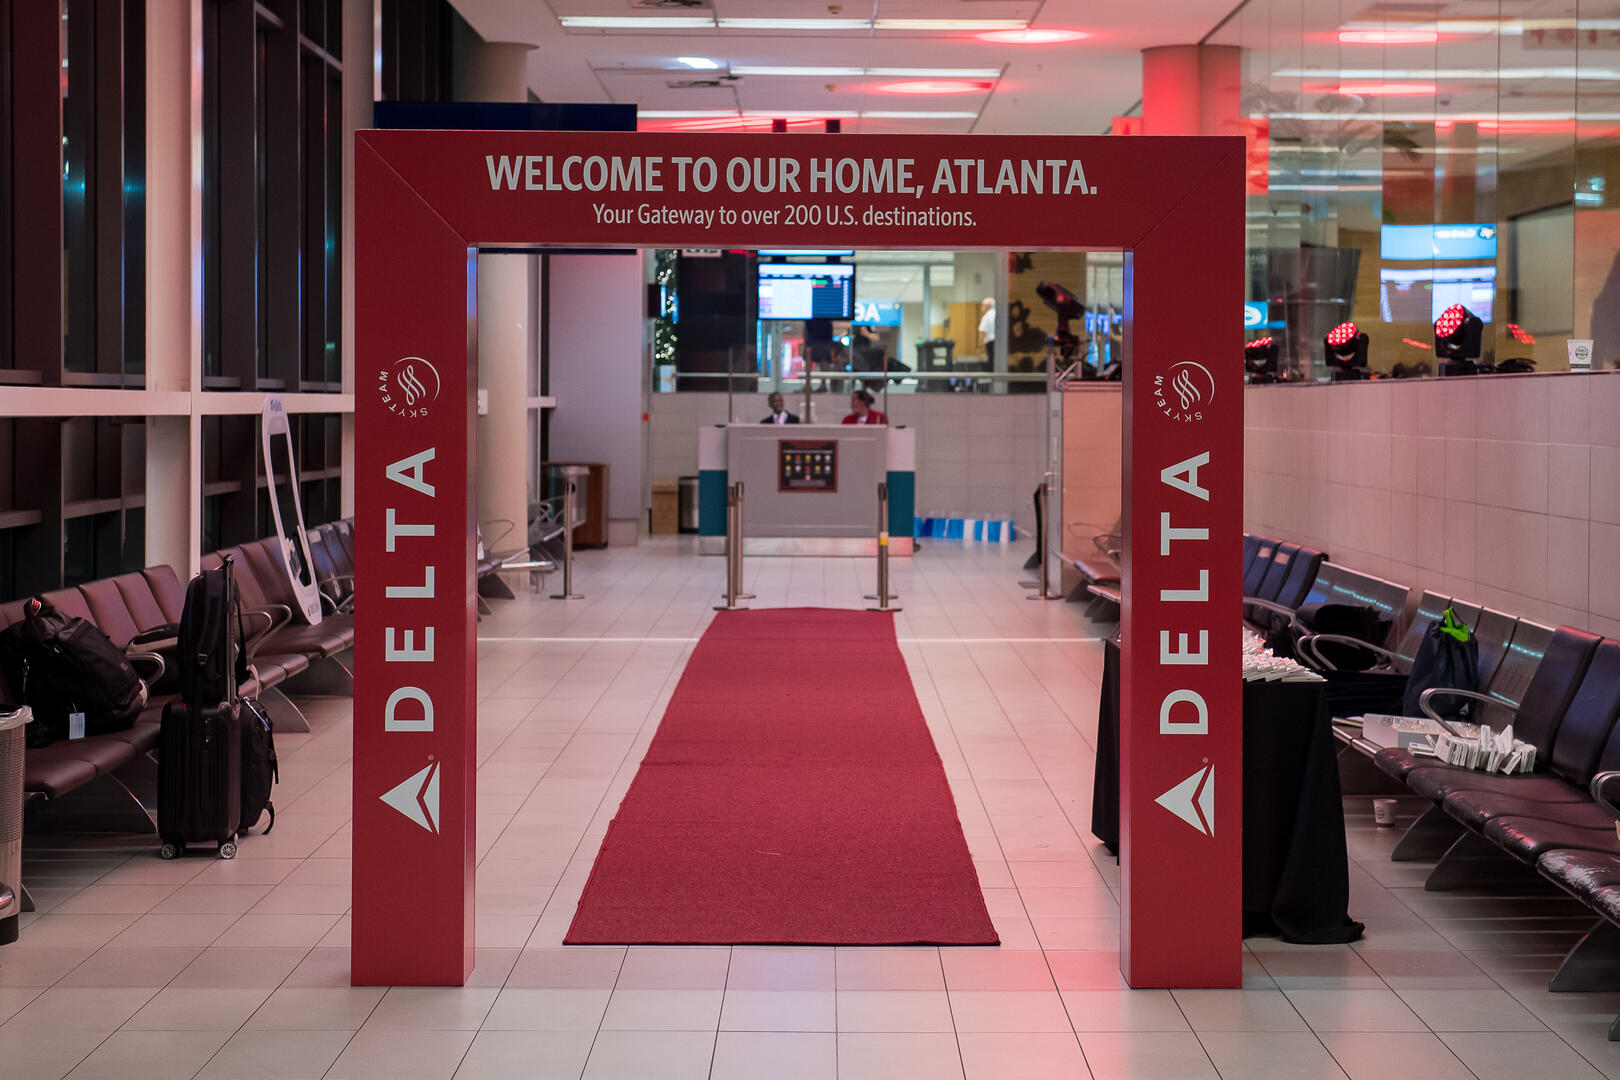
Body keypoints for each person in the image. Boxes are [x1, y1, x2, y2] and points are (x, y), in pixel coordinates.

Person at [977, 296, 997, 366]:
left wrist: (979, 347)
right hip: (999, 343)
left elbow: (982, 332)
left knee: (991, 363)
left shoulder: (986, 316)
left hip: (991, 343)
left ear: (988, 306)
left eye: (983, 305)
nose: (981, 307)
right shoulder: (997, 314)